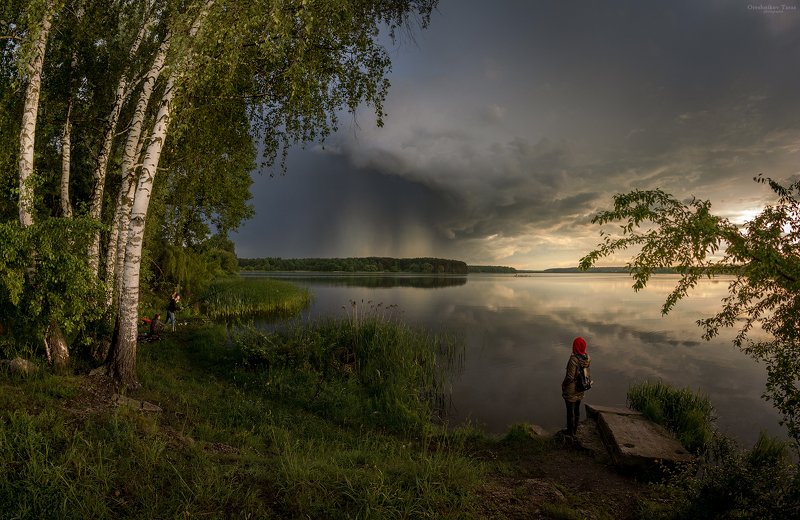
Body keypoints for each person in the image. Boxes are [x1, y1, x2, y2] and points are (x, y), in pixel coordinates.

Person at [561, 336, 592, 437]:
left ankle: (570, 432)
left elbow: (570, 377)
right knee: (577, 409)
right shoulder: (587, 358)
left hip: (572, 389)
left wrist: (563, 384)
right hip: (581, 387)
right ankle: (575, 429)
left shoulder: (573, 359)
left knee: (570, 412)